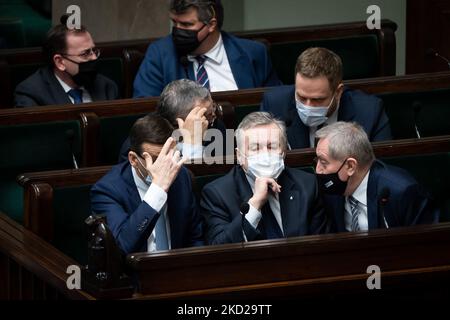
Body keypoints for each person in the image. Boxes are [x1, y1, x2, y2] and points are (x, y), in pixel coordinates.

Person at [200, 112, 327, 245]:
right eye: (255, 148)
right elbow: (219, 248)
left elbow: (321, 245)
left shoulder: (308, 185)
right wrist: (255, 204)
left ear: (283, 151)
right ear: (239, 156)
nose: (265, 155)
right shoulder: (217, 194)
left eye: (272, 146)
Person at [91, 114, 203, 254]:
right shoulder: (107, 191)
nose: (164, 166)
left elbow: (195, 238)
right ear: (133, 159)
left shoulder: (182, 177)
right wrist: (157, 190)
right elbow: (123, 247)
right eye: (155, 159)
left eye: (168, 156)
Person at [133, 0, 281, 97]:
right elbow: (144, 111)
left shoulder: (253, 53)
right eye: (174, 23)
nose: (177, 30)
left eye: (186, 25)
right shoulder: (159, 54)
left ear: (211, 25)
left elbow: (274, 104)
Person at [314, 121, 439, 232]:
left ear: (350, 166)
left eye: (323, 162)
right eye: (317, 161)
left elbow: (427, 246)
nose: (318, 170)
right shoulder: (331, 192)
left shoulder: (401, 192)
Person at [261, 47, 391, 149]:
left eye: (317, 100)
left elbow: (380, 168)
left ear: (338, 92)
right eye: (301, 97)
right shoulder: (274, 104)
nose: (308, 106)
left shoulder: (369, 111)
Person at [14, 15, 118, 107]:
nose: (94, 58)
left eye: (94, 51)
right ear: (60, 62)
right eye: (85, 53)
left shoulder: (107, 87)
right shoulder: (32, 93)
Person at [119, 79, 230, 163]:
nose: (213, 116)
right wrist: (191, 145)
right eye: (205, 115)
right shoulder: (142, 144)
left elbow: (218, 174)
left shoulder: (215, 127)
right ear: (179, 122)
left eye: (213, 107)